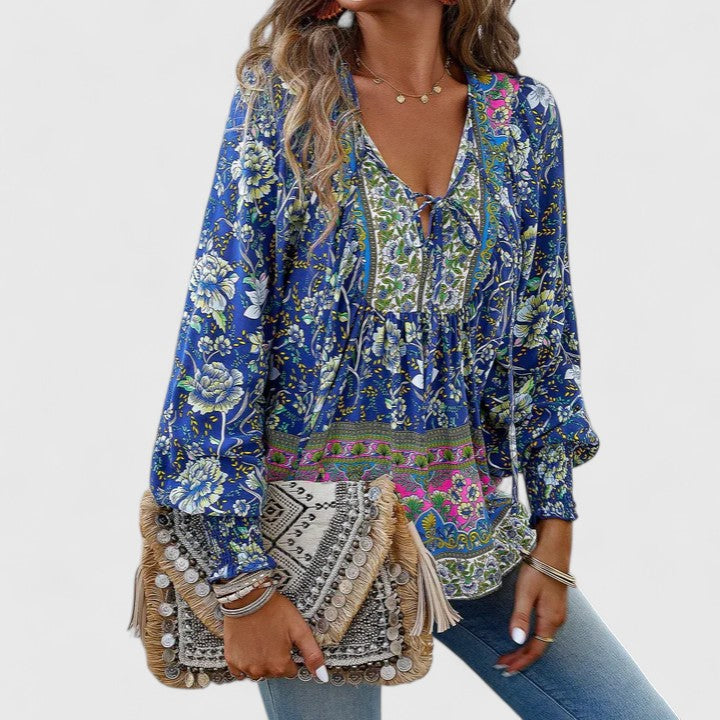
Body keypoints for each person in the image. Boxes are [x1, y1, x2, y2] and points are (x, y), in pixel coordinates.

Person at [146, 1, 679, 718]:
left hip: (466, 517)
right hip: (306, 543)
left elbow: (542, 333)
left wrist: (554, 532)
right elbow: (221, 335)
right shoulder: (288, 104)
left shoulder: (522, 119)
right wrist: (241, 583)